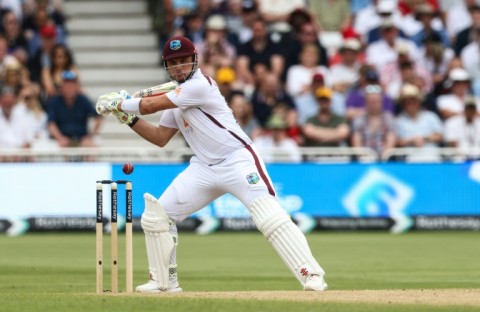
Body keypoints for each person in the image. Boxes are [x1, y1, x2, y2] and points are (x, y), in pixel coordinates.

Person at [96, 36, 327, 293]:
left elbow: (149, 105)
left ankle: (312, 275)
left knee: (269, 217)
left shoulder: (200, 85)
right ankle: (163, 282)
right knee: (157, 217)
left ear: (195, 60)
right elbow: (160, 138)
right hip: (203, 168)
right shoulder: (177, 97)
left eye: (184, 61)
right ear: (167, 67)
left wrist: (118, 102)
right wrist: (126, 117)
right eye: (174, 63)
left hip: (238, 160)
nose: (180, 67)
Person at [47, 70, 102, 149]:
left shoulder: (83, 100)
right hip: (62, 139)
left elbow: (99, 117)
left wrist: (90, 135)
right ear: (62, 86)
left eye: (72, 84)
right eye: (67, 84)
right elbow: (51, 123)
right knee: (57, 147)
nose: (69, 87)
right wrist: (59, 138)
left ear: (76, 86)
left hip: (81, 139)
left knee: (92, 147)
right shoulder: (55, 101)